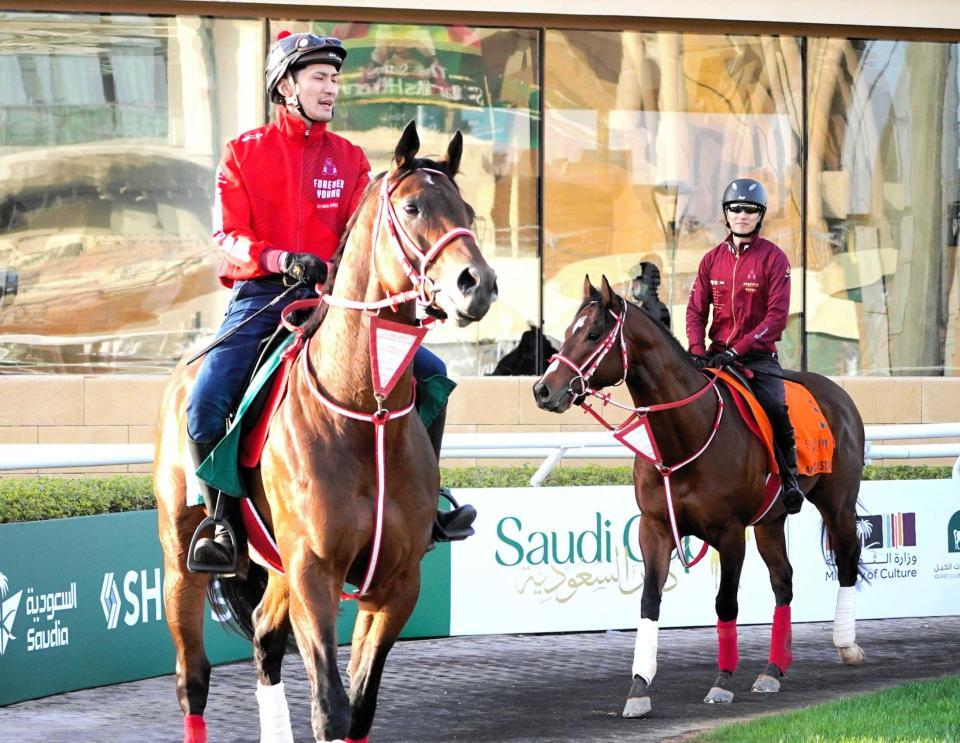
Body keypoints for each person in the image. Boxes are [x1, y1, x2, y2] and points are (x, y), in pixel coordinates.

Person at [185, 31, 476, 572]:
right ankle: (220, 525)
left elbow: (370, 240)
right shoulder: (243, 153)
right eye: (319, 77)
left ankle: (429, 502)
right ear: (285, 86)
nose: (331, 88)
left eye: (335, 78)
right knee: (204, 402)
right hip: (262, 298)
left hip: (334, 303)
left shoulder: (349, 159)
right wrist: (278, 260)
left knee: (432, 376)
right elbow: (227, 236)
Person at [685, 178, 805, 514]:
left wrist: (737, 350)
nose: (742, 215)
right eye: (735, 208)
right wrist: (696, 350)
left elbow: (777, 318)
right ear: (726, 213)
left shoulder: (774, 259)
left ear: (760, 215)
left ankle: (790, 479)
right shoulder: (710, 260)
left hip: (756, 358)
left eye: (749, 210)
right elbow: (695, 311)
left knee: (776, 407)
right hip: (713, 356)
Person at [627, 258, 670, 328]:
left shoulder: (653, 311)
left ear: (646, 283)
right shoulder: (648, 309)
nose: (632, 286)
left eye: (635, 281)